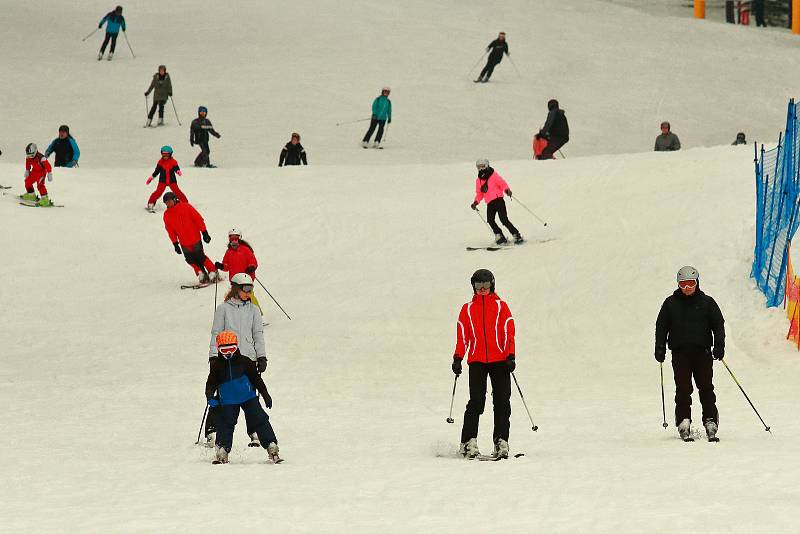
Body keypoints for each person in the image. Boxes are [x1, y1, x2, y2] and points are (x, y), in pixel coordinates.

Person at [655, 266, 725, 442]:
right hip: (680, 354)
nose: (687, 288)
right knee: (683, 389)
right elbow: (661, 326)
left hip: (702, 353)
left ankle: (710, 421)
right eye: (683, 284)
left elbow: (718, 324)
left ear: (697, 283)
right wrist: (660, 347)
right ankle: (683, 421)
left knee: (706, 388)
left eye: (690, 284)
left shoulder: (707, 302)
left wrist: (719, 346)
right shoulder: (670, 303)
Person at [452, 269, 516, 459]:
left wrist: (510, 355)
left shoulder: (501, 307)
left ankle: (501, 441)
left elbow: (508, 331)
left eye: (485, 285)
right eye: (478, 285)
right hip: (477, 360)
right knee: (476, 402)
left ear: (492, 285)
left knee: (502, 402)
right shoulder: (467, 309)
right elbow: (462, 335)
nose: (482, 289)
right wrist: (458, 357)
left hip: (500, 361)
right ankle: (468, 442)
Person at [207, 273, 268, 447]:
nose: (249, 293)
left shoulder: (254, 310)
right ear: (236, 288)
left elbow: (258, 334)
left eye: (251, 289)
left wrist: (262, 356)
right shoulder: (223, 309)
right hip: (226, 358)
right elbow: (216, 333)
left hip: (248, 358)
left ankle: (254, 430)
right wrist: (213, 356)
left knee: (250, 395)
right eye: (245, 289)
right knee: (222, 394)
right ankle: (212, 430)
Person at [205, 330, 279, 464]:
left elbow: (257, 380)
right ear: (219, 349)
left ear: (237, 347)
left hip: (248, 397)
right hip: (227, 401)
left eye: (231, 349)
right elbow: (211, 383)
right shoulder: (217, 366)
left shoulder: (245, 362)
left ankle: (271, 445)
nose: (228, 353)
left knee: (260, 419)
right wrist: (210, 396)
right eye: (224, 349)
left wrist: (265, 394)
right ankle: (222, 449)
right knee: (225, 424)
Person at [162, 191, 218, 284]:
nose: (168, 203)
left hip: (195, 237)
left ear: (174, 199)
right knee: (190, 259)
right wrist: (175, 243)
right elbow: (170, 230)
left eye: (169, 201)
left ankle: (213, 271)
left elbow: (198, 219)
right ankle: (200, 272)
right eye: (166, 202)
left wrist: (204, 233)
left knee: (200, 256)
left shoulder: (186, 207)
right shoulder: (167, 215)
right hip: (184, 242)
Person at [470, 159, 523, 245]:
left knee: (504, 219)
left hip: (498, 200)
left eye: (482, 166)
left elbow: (502, 184)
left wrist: (507, 190)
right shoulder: (478, 180)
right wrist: (475, 202)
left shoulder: (493, 175)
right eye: (478, 167)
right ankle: (500, 237)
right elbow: (479, 193)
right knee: (490, 220)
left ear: (486, 165)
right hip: (490, 203)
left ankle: (517, 235)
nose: (480, 169)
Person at [214, 229, 263, 313]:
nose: (234, 241)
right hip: (235, 281)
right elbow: (226, 266)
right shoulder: (228, 252)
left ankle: (258, 315)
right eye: (231, 239)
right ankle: (232, 316)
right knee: (232, 298)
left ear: (240, 239)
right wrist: (221, 266)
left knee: (248, 296)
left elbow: (253, 261)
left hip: (246, 279)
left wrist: (251, 267)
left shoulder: (245, 250)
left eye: (236, 238)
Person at [146, 146, 187, 211]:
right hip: (162, 181)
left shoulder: (173, 162)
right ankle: (151, 203)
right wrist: (151, 177)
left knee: (177, 192)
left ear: (170, 154)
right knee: (158, 192)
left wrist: (178, 171)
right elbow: (157, 171)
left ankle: (185, 203)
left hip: (172, 181)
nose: (165, 156)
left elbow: (176, 168)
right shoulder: (160, 162)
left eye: (167, 154)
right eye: (163, 154)